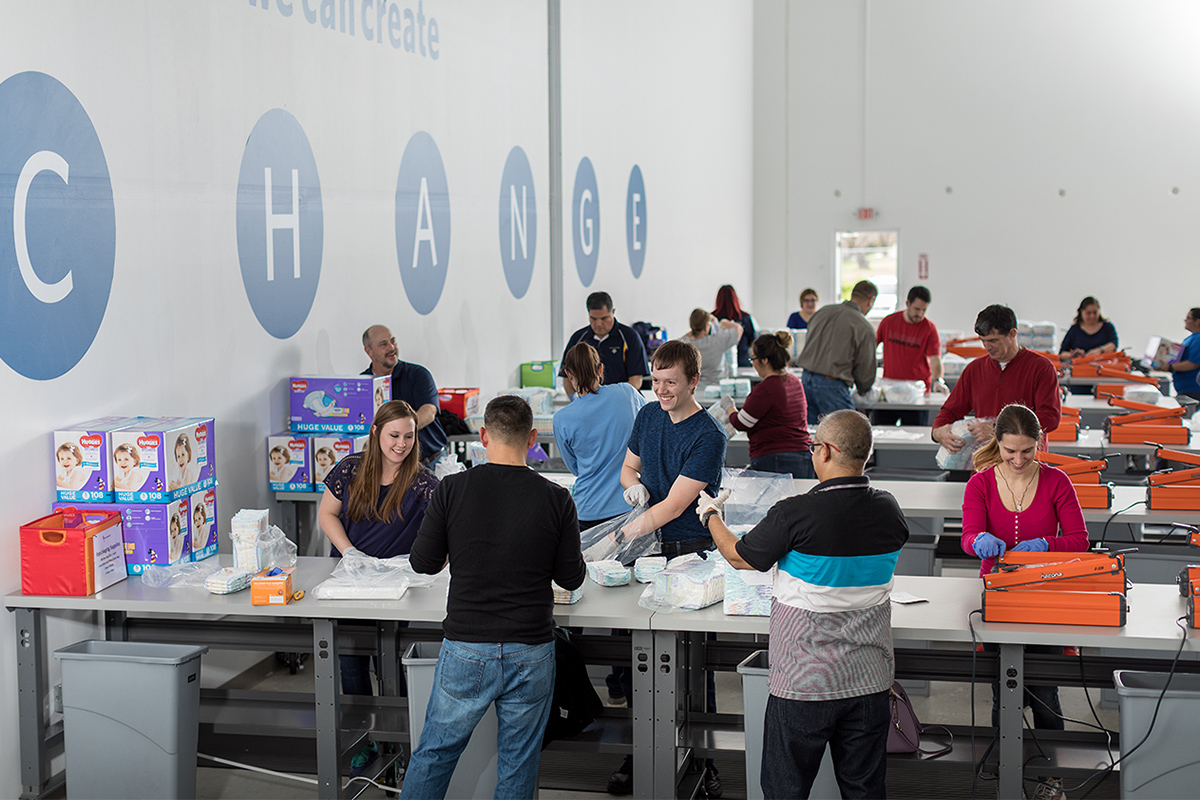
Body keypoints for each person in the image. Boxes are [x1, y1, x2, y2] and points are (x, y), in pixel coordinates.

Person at [700, 409, 909, 798]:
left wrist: (711, 514)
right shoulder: (889, 509)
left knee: (785, 789)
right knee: (864, 789)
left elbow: (740, 556)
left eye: (814, 448)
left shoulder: (795, 513)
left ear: (826, 452)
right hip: (870, 681)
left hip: (804, 684)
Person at [404, 396, 585, 799]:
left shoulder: (452, 488)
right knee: (518, 764)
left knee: (435, 752)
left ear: (483, 436)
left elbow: (423, 563)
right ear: (533, 438)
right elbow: (571, 577)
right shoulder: (556, 498)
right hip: (531, 649)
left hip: (467, 645)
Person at [614, 339, 726, 797]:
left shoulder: (708, 435)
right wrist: (633, 489)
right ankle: (641, 749)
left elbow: (675, 505)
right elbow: (628, 468)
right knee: (641, 657)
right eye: (656, 381)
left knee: (695, 662)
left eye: (670, 383)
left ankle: (704, 760)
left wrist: (619, 536)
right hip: (651, 549)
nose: (660, 390)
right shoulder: (648, 415)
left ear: (694, 380)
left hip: (691, 550)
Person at [960, 404, 1088, 800]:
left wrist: (1048, 544)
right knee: (1004, 691)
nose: (1017, 460)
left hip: (1045, 594)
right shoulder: (979, 484)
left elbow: (1080, 540)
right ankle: (1007, 772)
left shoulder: (1057, 481)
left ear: (1040, 444)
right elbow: (967, 537)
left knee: (1046, 691)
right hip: (998, 598)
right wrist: (977, 541)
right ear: (997, 443)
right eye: (1009, 451)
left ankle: (1052, 778)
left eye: (1027, 452)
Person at [318, 400, 439, 769]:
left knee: (397, 668)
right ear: (375, 433)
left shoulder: (423, 482)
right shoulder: (349, 469)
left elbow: (443, 536)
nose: (401, 444)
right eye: (393, 435)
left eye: (408, 436)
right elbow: (327, 513)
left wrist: (417, 565)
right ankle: (364, 740)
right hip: (351, 584)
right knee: (352, 665)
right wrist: (349, 552)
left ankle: (403, 745)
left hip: (398, 589)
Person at [932, 305, 1062, 457]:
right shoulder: (974, 369)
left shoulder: (1041, 368)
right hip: (985, 465)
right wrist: (938, 431)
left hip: (1027, 466)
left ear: (1012, 334)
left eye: (993, 340)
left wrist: (998, 430)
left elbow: (1050, 418)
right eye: (983, 341)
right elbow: (950, 410)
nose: (987, 347)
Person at [554, 343, 647, 529]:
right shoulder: (626, 393)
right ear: (600, 368)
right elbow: (648, 426)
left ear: (569, 375)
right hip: (629, 503)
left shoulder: (562, 418)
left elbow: (575, 467)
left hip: (587, 510)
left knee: (590, 558)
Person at [726, 331, 814, 478]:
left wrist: (729, 408)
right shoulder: (794, 381)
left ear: (765, 360)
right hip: (803, 455)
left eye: (753, 359)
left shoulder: (766, 389)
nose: (753, 364)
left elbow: (741, 423)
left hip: (775, 458)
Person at [362, 324, 448, 467]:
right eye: (384, 344)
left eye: (393, 341)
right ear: (369, 351)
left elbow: (429, 411)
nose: (392, 347)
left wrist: (399, 432)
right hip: (388, 469)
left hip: (430, 463)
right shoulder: (362, 384)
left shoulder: (418, 374)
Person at [794, 280, 879, 425]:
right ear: (871, 301)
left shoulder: (822, 312)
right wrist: (864, 389)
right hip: (831, 385)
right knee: (848, 435)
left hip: (806, 380)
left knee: (814, 436)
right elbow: (866, 369)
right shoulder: (863, 326)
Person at [875, 285, 947, 426]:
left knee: (916, 433)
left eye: (924, 310)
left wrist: (938, 379)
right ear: (907, 304)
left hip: (916, 393)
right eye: (917, 309)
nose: (920, 314)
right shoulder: (889, 322)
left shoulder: (929, 329)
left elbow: (935, 359)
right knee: (882, 432)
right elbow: (871, 348)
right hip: (890, 390)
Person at [560, 292, 649, 395]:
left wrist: (613, 400)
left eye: (604, 318)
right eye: (593, 319)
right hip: (589, 401)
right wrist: (574, 399)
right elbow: (566, 377)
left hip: (622, 399)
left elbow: (636, 379)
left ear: (613, 312)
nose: (598, 324)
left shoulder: (629, 337)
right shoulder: (578, 338)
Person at [681, 309, 742, 398]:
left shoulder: (685, 344)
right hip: (718, 393)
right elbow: (738, 329)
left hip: (694, 394)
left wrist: (694, 329)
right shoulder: (717, 340)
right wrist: (723, 322)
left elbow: (684, 337)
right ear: (706, 326)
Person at [713, 284, 757, 368]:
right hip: (743, 363)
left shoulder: (713, 319)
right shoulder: (745, 318)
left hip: (718, 365)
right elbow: (753, 341)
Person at [1162, 307, 1200, 403]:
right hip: (1185, 389)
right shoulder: (1190, 338)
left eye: (1188, 318)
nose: (1185, 321)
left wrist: (1169, 367)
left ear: (1197, 321)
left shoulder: (1199, 339)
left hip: (1194, 391)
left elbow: (1193, 363)